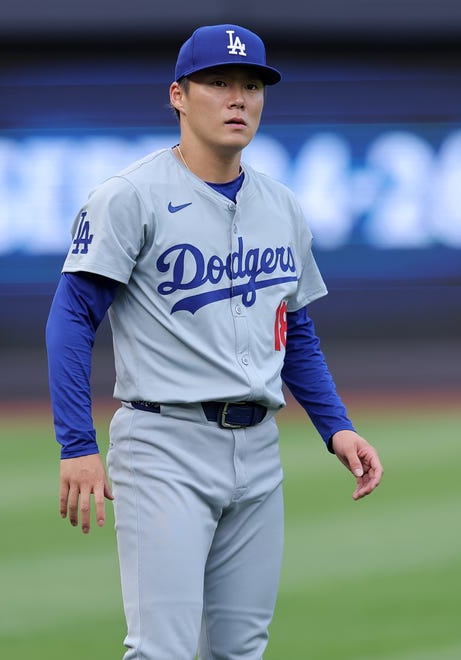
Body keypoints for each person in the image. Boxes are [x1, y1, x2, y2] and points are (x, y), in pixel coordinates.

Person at [46, 23, 383, 660]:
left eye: (252, 85)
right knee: (162, 651)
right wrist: (76, 444)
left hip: (258, 450)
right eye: (219, 83)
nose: (238, 98)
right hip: (163, 444)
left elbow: (294, 328)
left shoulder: (281, 205)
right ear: (178, 95)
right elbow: (70, 319)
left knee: (239, 652)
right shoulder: (129, 197)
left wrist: (335, 426)